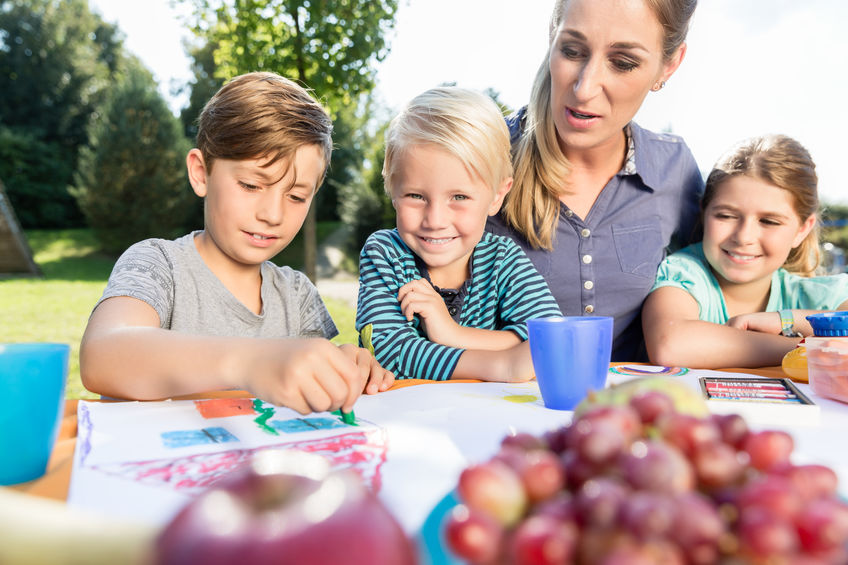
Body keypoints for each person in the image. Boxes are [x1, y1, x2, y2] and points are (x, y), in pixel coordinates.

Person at [80, 72, 394, 414]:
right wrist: (250, 363)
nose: (273, 214)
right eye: (250, 185)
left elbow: (310, 392)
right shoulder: (159, 264)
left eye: (296, 195)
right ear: (201, 173)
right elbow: (102, 355)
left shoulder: (297, 295)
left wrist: (344, 367)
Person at [486, 0, 703, 362]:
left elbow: (723, 292)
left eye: (623, 63)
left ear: (669, 65)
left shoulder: (676, 170)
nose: (585, 88)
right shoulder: (483, 155)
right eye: (571, 51)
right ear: (552, 35)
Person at [356, 87, 562, 381]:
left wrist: (451, 333)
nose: (436, 220)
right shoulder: (384, 253)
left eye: (459, 197)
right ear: (392, 190)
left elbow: (551, 337)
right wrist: (503, 364)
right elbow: (390, 353)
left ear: (496, 197)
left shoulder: (503, 259)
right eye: (416, 196)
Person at [642, 134, 848, 368]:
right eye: (726, 216)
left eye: (769, 221)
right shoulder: (684, 273)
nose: (744, 236)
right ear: (704, 212)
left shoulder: (815, 296)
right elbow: (671, 346)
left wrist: (787, 320)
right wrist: (813, 347)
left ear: (802, 230)